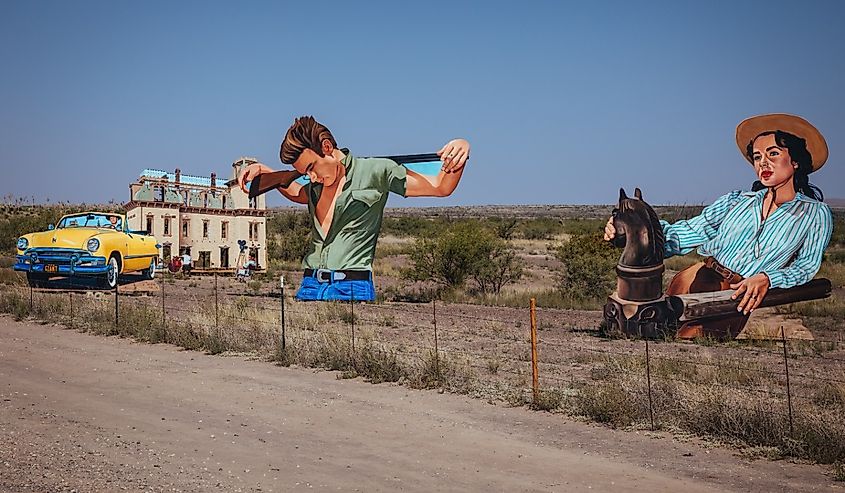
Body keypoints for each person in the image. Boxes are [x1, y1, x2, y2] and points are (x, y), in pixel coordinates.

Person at [604, 114, 833, 324]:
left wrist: (768, 278)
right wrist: (637, 232)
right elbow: (690, 231)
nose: (763, 163)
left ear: (795, 161)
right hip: (696, 277)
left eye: (773, 153)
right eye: (757, 156)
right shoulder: (735, 201)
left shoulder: (814, 214)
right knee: (654, 330)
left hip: (738, 293)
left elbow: (806, 265)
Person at [239, 116, 470, 301]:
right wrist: (266, 172)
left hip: (351, 288)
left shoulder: (376, 171)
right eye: (304, 173)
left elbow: (440, 186)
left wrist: (461, 148)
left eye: (311, 167)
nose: (310, 176)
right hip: (309, 286)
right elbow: (294, 190)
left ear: (327, 147)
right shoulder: (314, 187)